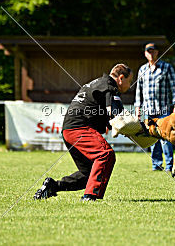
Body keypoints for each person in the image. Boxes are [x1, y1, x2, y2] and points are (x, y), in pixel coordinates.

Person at [34, 63, 133, 201]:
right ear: (121, 78)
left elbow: (107, 116)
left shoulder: (98, 83)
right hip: (79, 128)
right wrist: (140, 129)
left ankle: (53, 186)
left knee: (89, 174)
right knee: (105, 155)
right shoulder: (110, 86)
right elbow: (117, 115)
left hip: (69, 130)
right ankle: (90, 196)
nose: (130, 86)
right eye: (130, 82)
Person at [134, 42, 175, 172]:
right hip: (148, 111)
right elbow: (139, 91)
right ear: (145, 53)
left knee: (166, 139)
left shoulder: (166, 67)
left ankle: (170, 165)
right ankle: (156, 165)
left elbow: (174, 88)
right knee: (153, 139)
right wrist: (138, 108)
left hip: (164, 110)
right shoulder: (142, 70)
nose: (151, 53)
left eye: (153, 51)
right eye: (148, 51)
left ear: (157, 52)